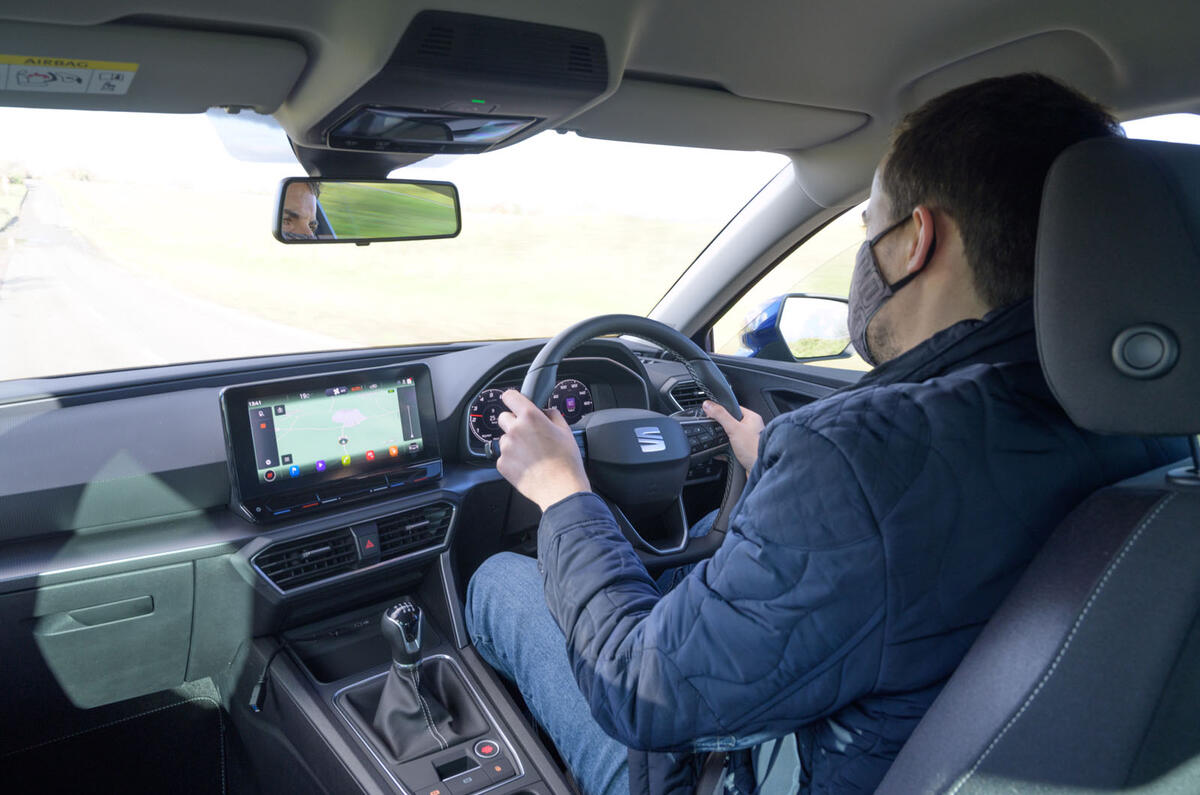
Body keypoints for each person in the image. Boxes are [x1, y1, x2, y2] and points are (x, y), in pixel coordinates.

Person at [464, 74, 1187, 795]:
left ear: (915, 241)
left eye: (869, 227)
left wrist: (562, 492)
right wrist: (780, 466)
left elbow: (636, 683)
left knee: (498, 581)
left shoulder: (859, 464)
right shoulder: (1157, 435)